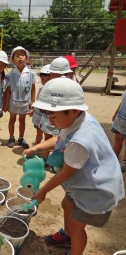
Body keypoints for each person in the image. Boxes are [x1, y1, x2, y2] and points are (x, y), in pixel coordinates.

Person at [23, 78, 125, 255]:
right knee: (67, 204)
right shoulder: (77, 119)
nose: (50, 121)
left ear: (74, 111)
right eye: (48, 115)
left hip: (96, 190)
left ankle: (74, 248)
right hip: (84, 184)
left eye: (53, 116)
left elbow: (65, 173)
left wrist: (42, 192)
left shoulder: (81, 140)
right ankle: (67, 235)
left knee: (77, 225)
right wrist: (38, 147)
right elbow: (61, 137)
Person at [5, 46, 37, 149]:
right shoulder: (10, 74)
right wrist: (6, 103)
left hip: (25, 102)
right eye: (17, 55)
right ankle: (11, 137)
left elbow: (33, 88)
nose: (20, 58)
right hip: (13, 102)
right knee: (12, 119)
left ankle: (21, 138)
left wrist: (33, 101)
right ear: (13, 59)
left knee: (22, 120)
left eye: (22, 55)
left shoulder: (31, 73)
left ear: (26, 57)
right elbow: (8, 90)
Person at [31, 64, 59, 161]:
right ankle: (35, 151)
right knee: (38, 134)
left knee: (48, 137)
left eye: (47, 80)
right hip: (39, 118)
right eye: (43, 80)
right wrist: (33, 109)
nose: (44, 82)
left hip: (48, 120)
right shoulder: (41, 90)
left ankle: (46, 157)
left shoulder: (55, 92)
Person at [112, 89, 126, 172]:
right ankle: (114, 159)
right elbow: (123, 100)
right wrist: (116, 112)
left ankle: (125, 163)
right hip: (121, 116)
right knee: (117, 138)